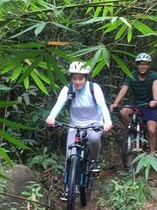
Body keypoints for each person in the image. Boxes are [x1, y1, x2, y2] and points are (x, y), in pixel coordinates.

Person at [46, 61, 113, 200]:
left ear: (86, 78)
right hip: (75, 125)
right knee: (70, 154)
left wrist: (107, 121)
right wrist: (51, 117)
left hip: (94, 123)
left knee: (94, 138)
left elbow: (102, 106)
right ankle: (68, 187)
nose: (77, 82)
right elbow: (59, 104)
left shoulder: (94, 88)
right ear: (71, 78)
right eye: (75, 78)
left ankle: (94, 160)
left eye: (80, 78)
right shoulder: (67, 89)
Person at [109, 52, 157, 153]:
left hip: (149, 104)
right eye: (140, 64)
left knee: (151, 130)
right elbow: (124, 88)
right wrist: (115, 103)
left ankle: (152, 153)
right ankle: (132, 132)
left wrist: (155, 100)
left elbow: (155, 87)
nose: (143, 66)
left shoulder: (154, 75)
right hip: (136, 103)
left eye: (145, 64)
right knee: (123, 112)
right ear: (137, 65)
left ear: (148, 65)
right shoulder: (131, 75)